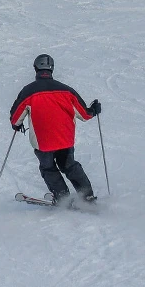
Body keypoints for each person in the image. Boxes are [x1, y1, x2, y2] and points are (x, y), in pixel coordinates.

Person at [9, 54, 100, 206]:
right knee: (69, 165)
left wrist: (16, 125)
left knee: (48, 168)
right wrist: (94, 110)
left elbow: (15, 117)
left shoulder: (28, 91)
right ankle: (87, 196)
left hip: (43, 141)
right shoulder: (67, 91)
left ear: (36, 68)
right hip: (65, 138)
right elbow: (85, 114)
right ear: (52, 69)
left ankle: (63, 198)